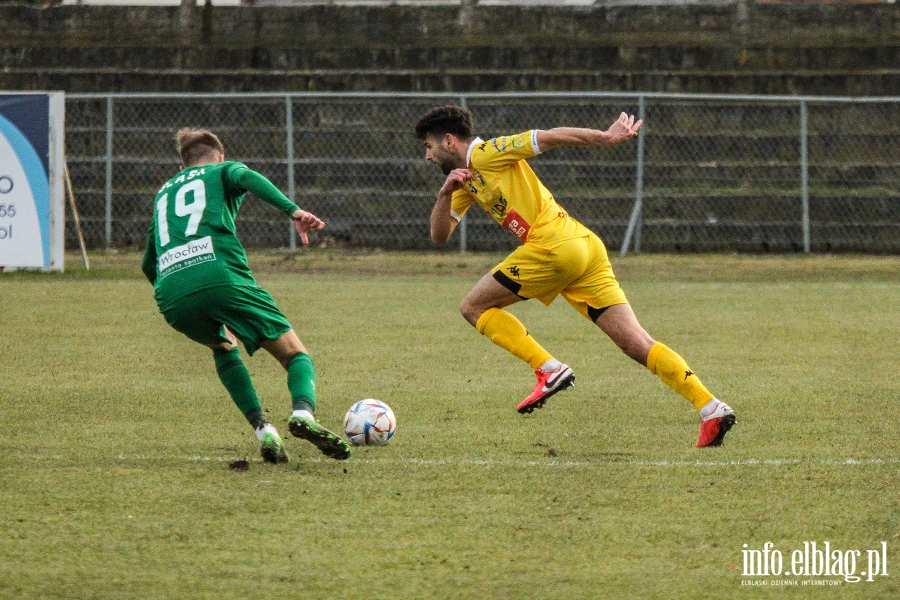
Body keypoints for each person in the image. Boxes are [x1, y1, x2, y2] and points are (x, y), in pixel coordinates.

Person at [415, 106, 736, 447]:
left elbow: (548, 137)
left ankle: (549, 369)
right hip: (584, 248)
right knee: (635, 342)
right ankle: (711, 407)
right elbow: (440, 235)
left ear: (449, 141)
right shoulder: (465, 179)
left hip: (555, 247)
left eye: (429, 146)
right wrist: (445, 194)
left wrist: (605, 137)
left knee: (473, 307)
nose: (427, 156)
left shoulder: (487, 152)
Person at [141, 128, 351, 463]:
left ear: (183, 165)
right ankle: (303, 415)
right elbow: (247, 176)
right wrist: (293, 210)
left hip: (171, 292)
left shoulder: (163, 194)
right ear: (219, 156)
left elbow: (147, 262)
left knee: (223, 346)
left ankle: (263, 430)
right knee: (295, 355)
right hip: (219, 274)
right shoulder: (223, 170)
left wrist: (176, 288)